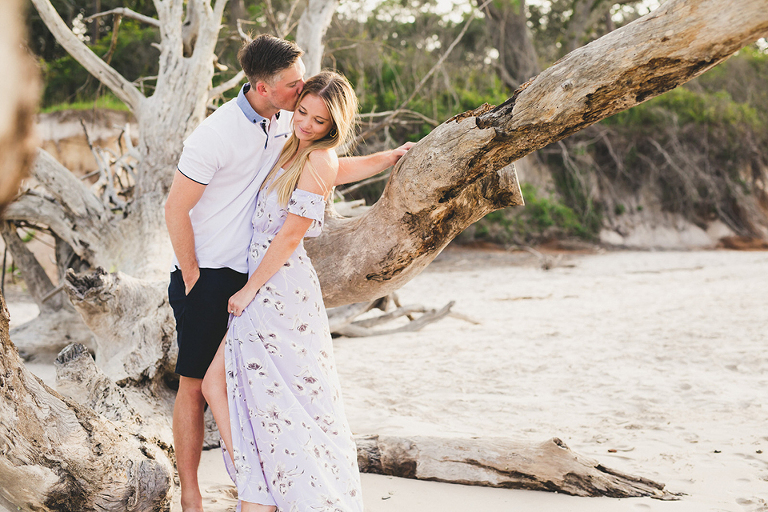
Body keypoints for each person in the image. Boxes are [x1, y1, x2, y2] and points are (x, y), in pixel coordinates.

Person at [165, 35, 411, 512]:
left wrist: (386, 159)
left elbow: (323, 168)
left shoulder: (289, 126)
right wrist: (192, 276)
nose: (301, 96)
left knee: (258, 386)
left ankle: (261, 489)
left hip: (262, 278)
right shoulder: (217, 134)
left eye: (306, 94)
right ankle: (194, 494)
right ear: (263, 86)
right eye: (295, 86)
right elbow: (175, 209)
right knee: (200, 384)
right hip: (211, 272)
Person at [200, 71, 366, 512]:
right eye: (305, 112)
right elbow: (338, 170)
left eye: (320, 121)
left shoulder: (317, 157)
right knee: (238, 386)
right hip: (269, 283)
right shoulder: (297, 148)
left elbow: (291, 235)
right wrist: (389, 157)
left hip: (277, 288)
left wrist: (248, 290)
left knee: (276, 394)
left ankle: (263, 495)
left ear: (335, 126)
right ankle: (258, 487)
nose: (307, 123)